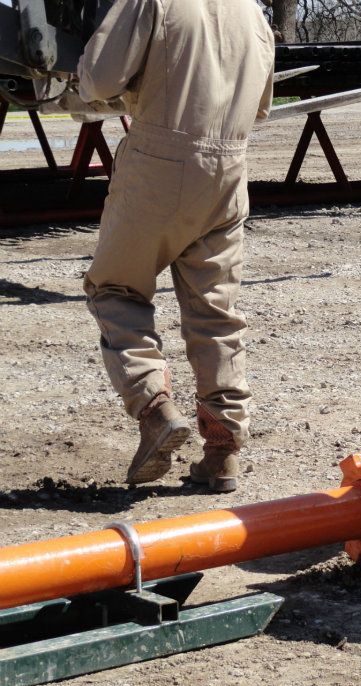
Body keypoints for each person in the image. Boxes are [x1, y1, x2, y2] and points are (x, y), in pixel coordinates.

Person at [77, 0, 275, 492]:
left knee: (116, 289)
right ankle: (223, 449)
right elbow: (263, 106)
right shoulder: (253, 13)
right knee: (215, 312)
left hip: (160, 161)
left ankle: (154, 408)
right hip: (230, 169)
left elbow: (100, 80)